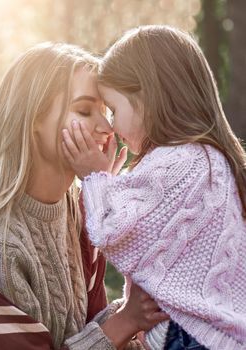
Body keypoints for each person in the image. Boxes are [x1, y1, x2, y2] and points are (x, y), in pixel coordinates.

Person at [0, 42, 168, 350]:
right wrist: (125, 321)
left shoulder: (79, 214)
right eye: (85, 110)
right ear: (33, 120)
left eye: (106, 112)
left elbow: (92, 328)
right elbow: (109, 331)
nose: (106, 127)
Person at [62, 25, 246, 350]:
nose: (112, 127)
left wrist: (93, 177)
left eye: (115, 110)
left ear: (146, 97)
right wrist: (113, 185)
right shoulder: (202, 157)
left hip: (192, 337)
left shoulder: (179, 161)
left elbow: (112, 231)